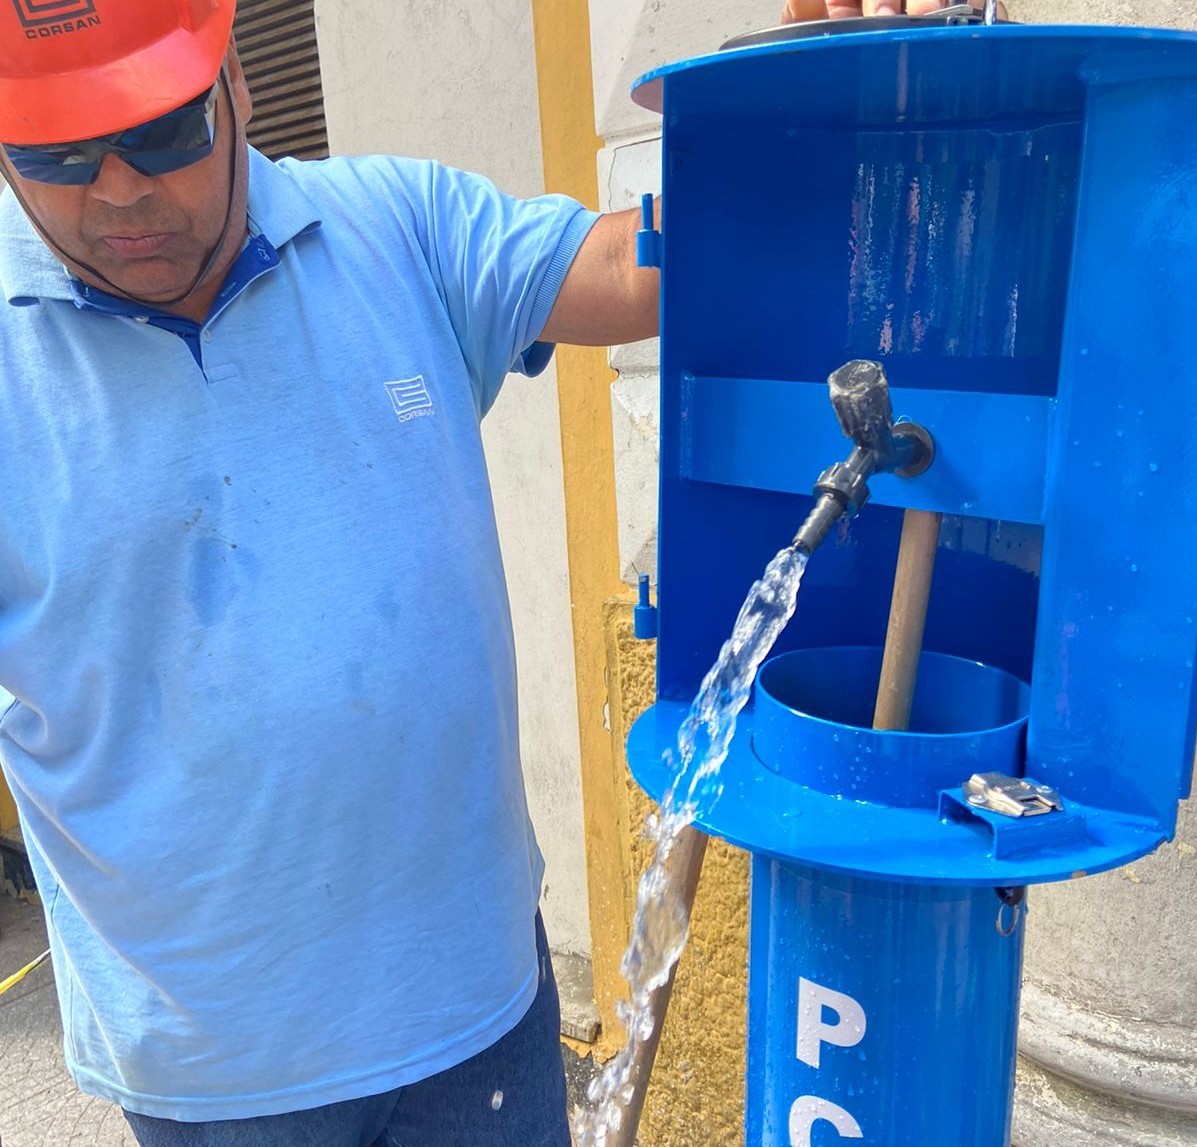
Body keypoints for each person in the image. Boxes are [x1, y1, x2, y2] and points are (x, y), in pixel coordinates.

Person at [0, 1, 953, 1144]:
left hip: (469, 1012)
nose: (115, 192)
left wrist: (846, 96)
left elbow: (633, 266)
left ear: (238, 88)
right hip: (209, 1065)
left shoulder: (392, 227)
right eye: (54, 156)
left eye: (160, 137)